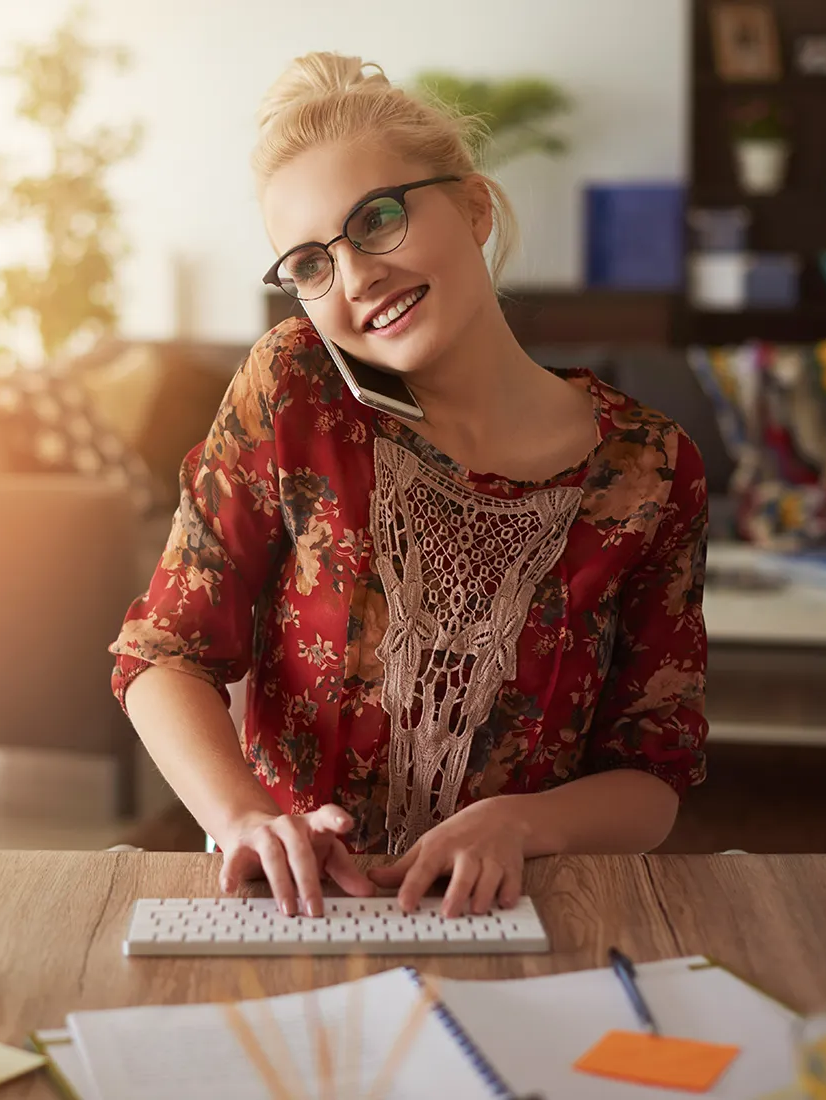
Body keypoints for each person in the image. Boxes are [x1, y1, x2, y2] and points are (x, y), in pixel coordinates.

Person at [109, 52, 708, 922]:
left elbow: (652, 778)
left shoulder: (651, 468)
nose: (355, 279)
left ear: (474, 208)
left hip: (519, 911)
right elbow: (163, 654)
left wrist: (519, 824)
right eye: (310, 265)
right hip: (295, 908)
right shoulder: (294, 388)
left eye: (378, 220)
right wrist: (243, 819)